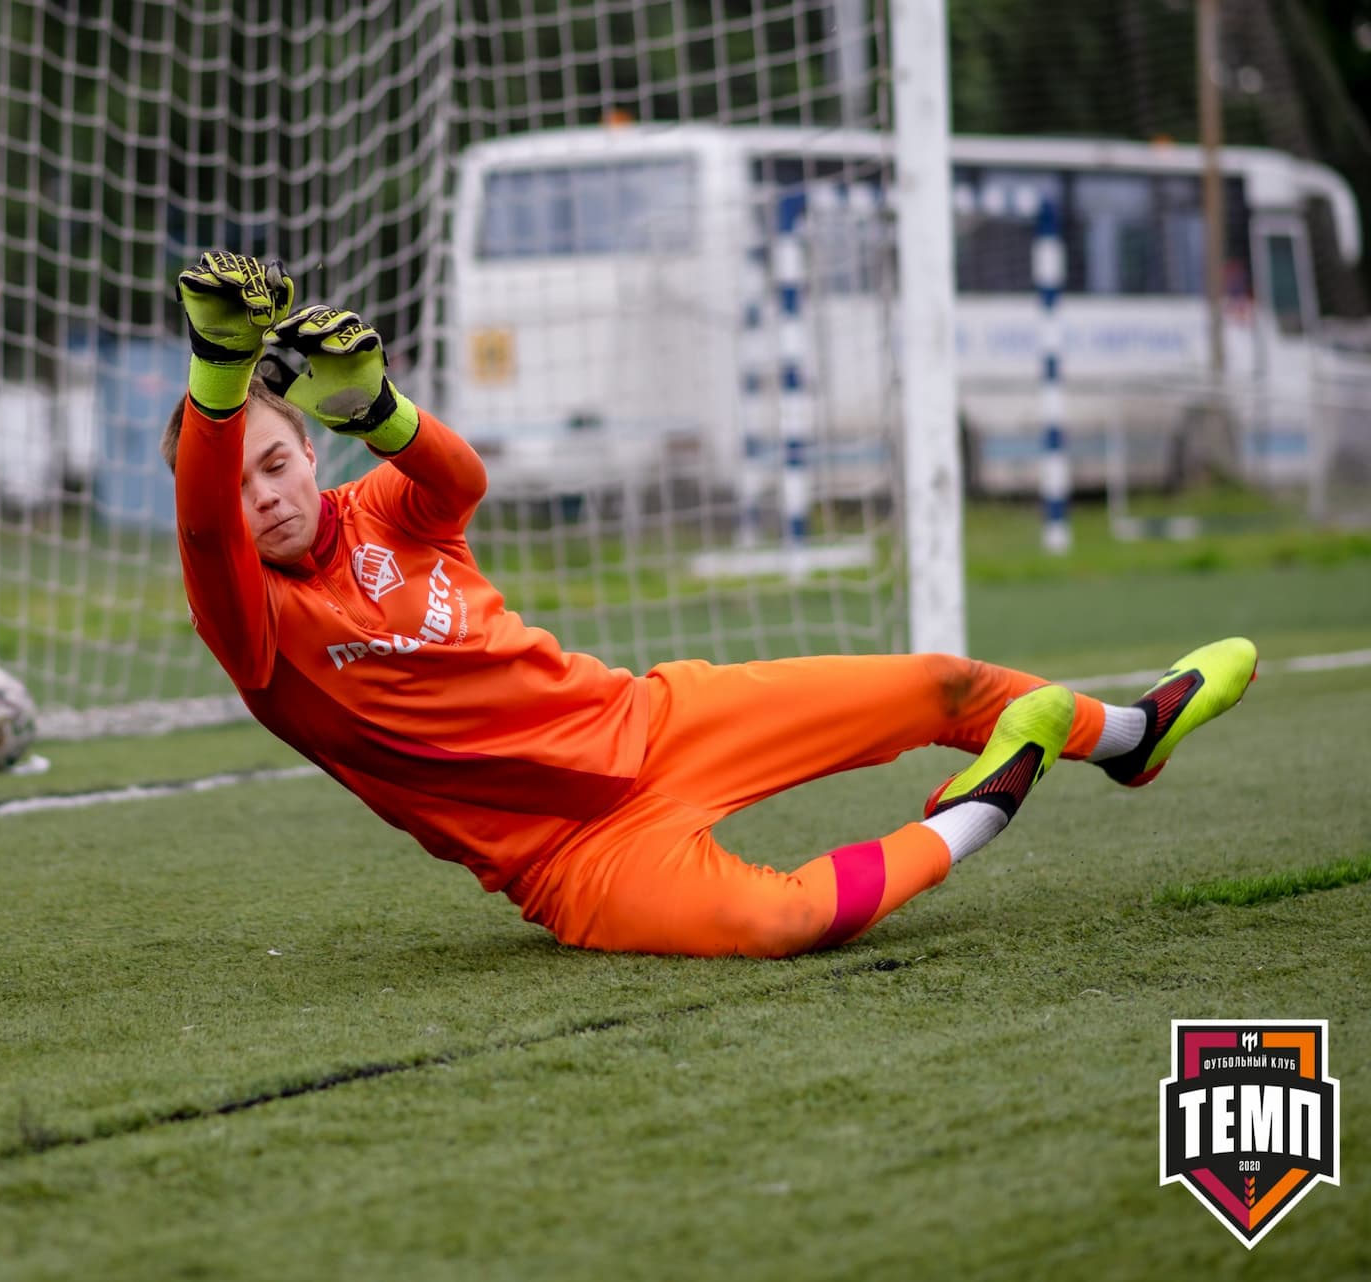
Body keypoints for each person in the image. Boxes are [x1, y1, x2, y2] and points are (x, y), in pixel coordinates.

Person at [162, 252, 1257, 958]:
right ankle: (983, 804)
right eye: (238, 478)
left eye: (278, 465)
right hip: (572, 860)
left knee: (941, 683)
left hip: (655, 720)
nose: (262, 497)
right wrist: (219, 376)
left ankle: (1130, 734)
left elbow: (461, 484)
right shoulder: (251, 624)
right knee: (786, 920)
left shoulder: (382, 512)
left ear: (309, 450)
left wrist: (384, 407)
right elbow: (207, 520)